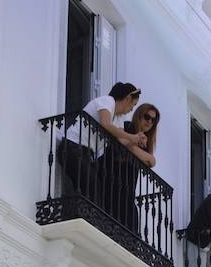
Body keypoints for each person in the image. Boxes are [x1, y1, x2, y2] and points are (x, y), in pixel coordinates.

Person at [55, 82, 143, 201]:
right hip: (72, 147)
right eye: (133, 104)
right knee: (92, 185)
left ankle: (80, 215)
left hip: (85, 153)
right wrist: (132, 137)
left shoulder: (118, 118)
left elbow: (121, 141)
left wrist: (135, 141)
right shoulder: (108, 101)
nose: (132, 109)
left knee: (91, 188)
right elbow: (105, 124)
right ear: (127, 98)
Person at [97, 102, 160, 232]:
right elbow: (119, 142)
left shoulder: (146, 143)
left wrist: (131, 146)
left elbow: (151, 161)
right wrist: (134, 141)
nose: (149, 122)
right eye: (147, 117)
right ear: (139, 115)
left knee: (131, 231)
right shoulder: (125, 127)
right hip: (110, 181)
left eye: (153, 120)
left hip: (127, 191)